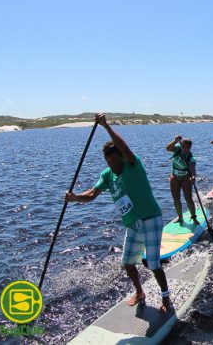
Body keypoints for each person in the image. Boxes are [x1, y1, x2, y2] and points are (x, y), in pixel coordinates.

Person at [65, 114, 171, 313]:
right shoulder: (107, 175)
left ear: (121, 156)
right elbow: (92, 194)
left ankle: (166, 297)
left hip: (150, 218)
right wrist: (75, 198)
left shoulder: (133, 164)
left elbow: (125, 148)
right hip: (133, 224)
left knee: (154, 264)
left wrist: (105, 126)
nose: (112, 164)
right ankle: (140, 292)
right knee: (128, 263)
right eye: (108, 161)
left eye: (114, 159)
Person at [165, 135, 198, 224]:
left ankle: (194, 218)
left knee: (188, 198)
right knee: (176, 198)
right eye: (184, 147)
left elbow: (192, 168)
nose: (186, 149)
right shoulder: (177, 148)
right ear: (181, 146)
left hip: (186, 177)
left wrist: (193, 176)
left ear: (190, 147)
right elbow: (167, 148)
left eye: (188, 147)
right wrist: (175, 141)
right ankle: (180, 217)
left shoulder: (191, 157)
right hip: (174, 176)